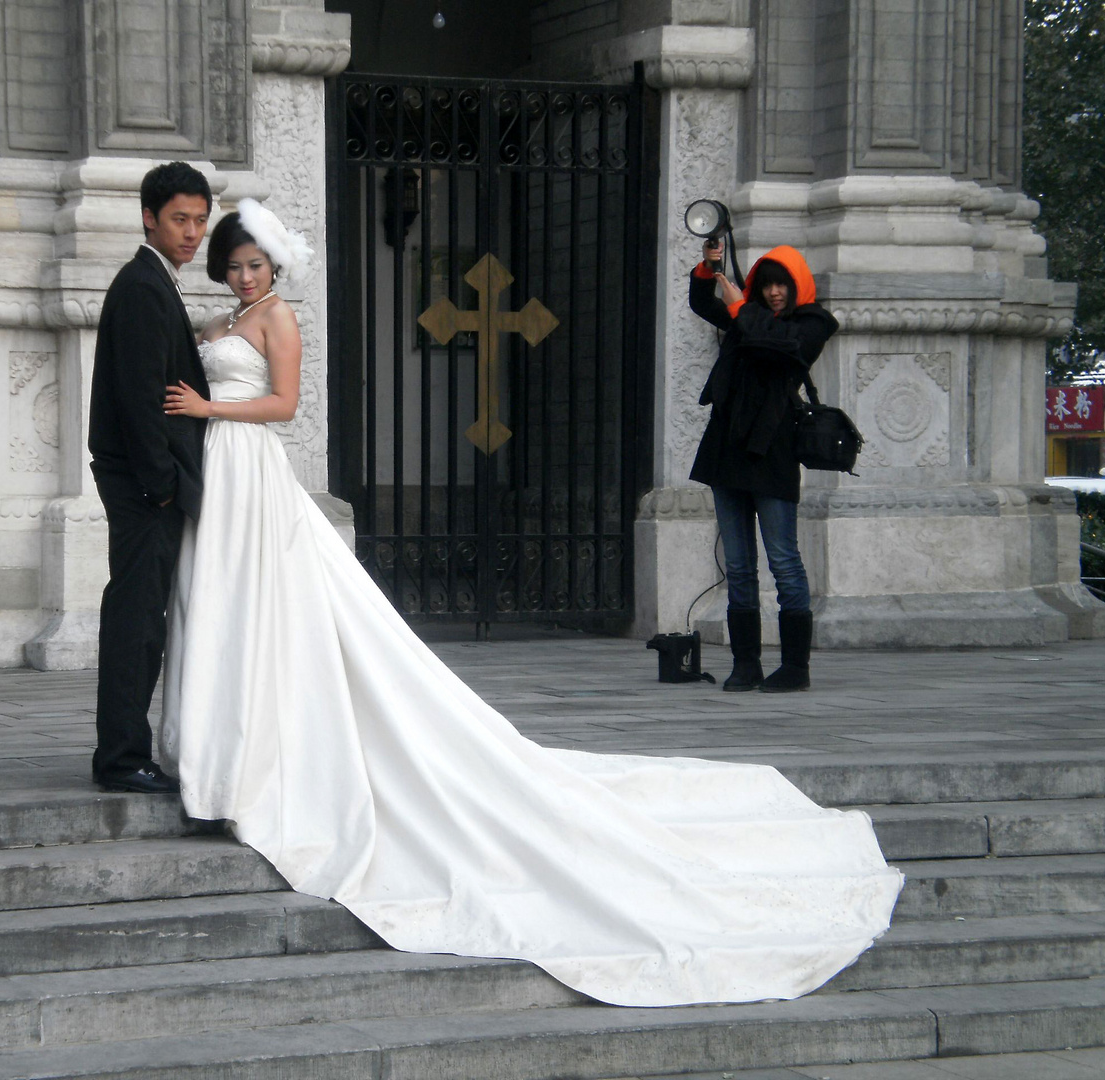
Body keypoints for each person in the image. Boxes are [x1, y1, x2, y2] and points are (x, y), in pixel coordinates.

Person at [158, 201, 900, 1008]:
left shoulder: (281, 321)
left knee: (779, 566)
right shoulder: (234, 318)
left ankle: (778, 666)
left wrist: (207, 406)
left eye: (253, 264)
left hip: (250, 463)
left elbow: (285, 406)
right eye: (233, 265)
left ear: (276, 267)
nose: (242, 274)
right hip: (221, 476)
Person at [86, 162, 212, 794]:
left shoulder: (157, 282)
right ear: (148, 218)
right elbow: (140, 398)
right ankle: (121, 758)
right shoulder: (141, 286)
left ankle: (126, 751)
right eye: (179, 220)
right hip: (143, 487)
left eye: (199, 220)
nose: (192, 233)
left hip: (148, 483)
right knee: (137, 619)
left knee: (145, 619)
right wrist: (161, 484)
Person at [688, 241, 838, 693]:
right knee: (738, 566)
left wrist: (740, 309)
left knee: (784, 561)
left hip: (772, 451)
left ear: (798, 286)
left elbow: (781, 349)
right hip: (727, 450)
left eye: (783, 284)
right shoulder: (742, 316)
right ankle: (746, 663)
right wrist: (708, 268)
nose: (774, 292)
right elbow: (701, 303)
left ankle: (795, 667)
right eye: (768, 284)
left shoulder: (814, 323)